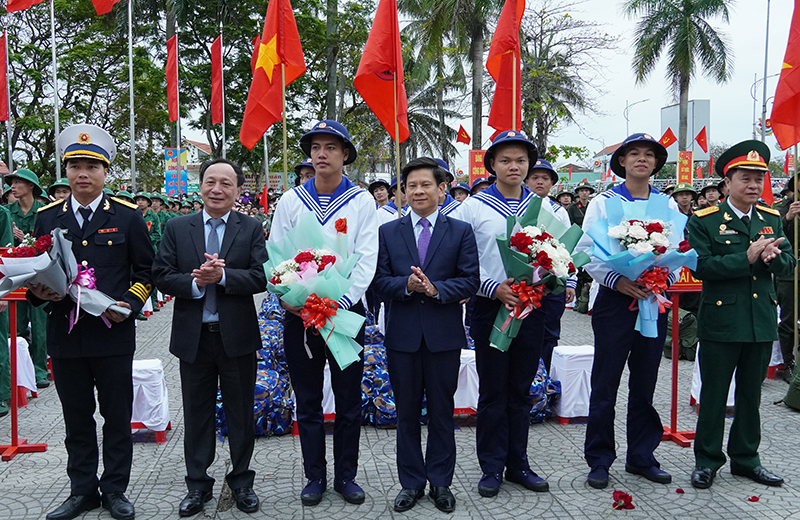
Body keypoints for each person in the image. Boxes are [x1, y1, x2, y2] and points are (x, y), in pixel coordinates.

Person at [29, 124, 154, 520]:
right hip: (65, 336)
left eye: (92, 167)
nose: (83, 174)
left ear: (105, 173)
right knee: (76, 418)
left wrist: (129, 304)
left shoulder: (127, 216)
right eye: (75, 166)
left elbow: (146, 271)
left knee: (116, 417)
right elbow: (35, 271)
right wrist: (39, 293)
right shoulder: (48, 218)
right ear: (66, 172)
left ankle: (115, 489)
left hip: (112, 334)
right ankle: (82, 490)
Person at [269, 120, 378, 506]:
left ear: (345, 154)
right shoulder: (291, 200)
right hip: (300, 315)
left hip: (344, 316)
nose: (321, 154)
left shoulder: (363, 201)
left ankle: (346, 476)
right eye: (315, 147)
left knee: (348, 401)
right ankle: (315, 476)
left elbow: (366, 260)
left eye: (331, 147)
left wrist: (339, 303)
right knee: (309, 400)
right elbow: (278, 254)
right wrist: (285, 294)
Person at [152, 158, 267, 517]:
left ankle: (242, 482)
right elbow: (161, 274)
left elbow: (262, 277)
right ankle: (197, 485)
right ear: (200, 186)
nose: (217, 190)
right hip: (194, 336)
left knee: (240, 413)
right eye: (211, 182)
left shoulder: (250, 227)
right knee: (197, 413)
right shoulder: (177, 226)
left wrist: (222, 277)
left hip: (237, 336)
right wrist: (194, 282)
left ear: (237, 190)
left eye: (226, 184)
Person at [373, 157, 480, 513]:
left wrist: (437, 290)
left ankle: (441, 482)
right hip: (402, 337)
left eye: (426, 185)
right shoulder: (388, 231)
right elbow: (378, 281)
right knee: (405, 413)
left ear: (441, 188)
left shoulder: (459, 231)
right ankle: (411, 483)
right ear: (403, 191)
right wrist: (406, 284)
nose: (418, 191)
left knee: (441, 412)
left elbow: (469, 279)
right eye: (411, 186)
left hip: (443, 335)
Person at [452, 130, 555, 497]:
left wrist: (553, 279)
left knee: (520, 389)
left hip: (531, 307)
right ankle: (491, 466)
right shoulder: (472, 208)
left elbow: (562, 257)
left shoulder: (546, 208)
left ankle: (519, 464)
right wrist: (492, 287)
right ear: (492, 164)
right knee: (493, 389)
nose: (514, 166)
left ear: (529, 165)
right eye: (506, 160)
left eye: (521, 160)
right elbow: (459, 259)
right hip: (489, 306)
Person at [688, 140, 795, 489]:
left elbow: (788, 261)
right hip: (722, 320)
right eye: (745, 178)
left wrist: (772, 259)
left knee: (751, 396)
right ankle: (706, 460)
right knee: (715, 395)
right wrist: (745, 258)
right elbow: (702, 267)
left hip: (760, 319)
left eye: (758, 180)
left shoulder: (771, 218)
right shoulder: (705, 220)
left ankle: (746, 459)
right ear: (727, 183)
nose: (753, 186)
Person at [575, 133, 678, 490]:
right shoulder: (604, 203)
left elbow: (679, 248)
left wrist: (661, 277)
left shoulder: (669, 205)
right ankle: (600, 459)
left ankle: (642, 456)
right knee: (605, 382)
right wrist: (618, 280)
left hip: (653, 298)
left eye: (649, 155)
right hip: (615, 300)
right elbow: (588, 251)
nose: (641, 160)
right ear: (621, 161)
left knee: (646, 380)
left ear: (656, 164)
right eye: (634, 154)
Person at [524, 159, 575, 371]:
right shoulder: (517, 207)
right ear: (526, 180)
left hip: (552, 283)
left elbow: (569, 248)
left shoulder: (559, 211)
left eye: (545, 178)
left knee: (550, 332)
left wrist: (570, 281)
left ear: (552, 183)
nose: (539, 182)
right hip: (523, 284)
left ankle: (544, 382)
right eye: (535, 177)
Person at [5, 167, 49, 388]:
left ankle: (40, 371)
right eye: (11, 182)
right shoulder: (7, 212)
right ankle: (19, 373)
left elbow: (48, 242)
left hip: (38, 276)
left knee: (39, 325)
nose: (13, 186)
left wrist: (27, 239)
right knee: (17, 325)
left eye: (18, 182)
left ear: (31, 185)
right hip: (13, 277)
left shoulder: (44, 211)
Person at [776, 175, 800, 379]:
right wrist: (788, 219)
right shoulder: (784, 207)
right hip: (789, 272)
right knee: (789, 320)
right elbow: (775, 235)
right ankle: (788, 362)